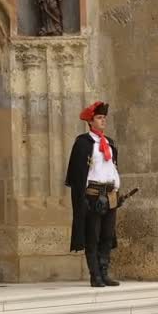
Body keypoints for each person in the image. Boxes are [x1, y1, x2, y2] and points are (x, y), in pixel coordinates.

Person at [65, 101, 120, 287]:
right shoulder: (83, 143)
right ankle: (95, 275)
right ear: (90, 121)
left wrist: (117, 190)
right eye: (99, 117)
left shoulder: (109, 143)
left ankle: (104, 273)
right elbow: (77, 174)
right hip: (93, 194)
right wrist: (82, 200)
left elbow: (113, 169)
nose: (103, 121)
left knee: (107, 235)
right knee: (92, 236)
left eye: (104, 118)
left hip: (110, 193)